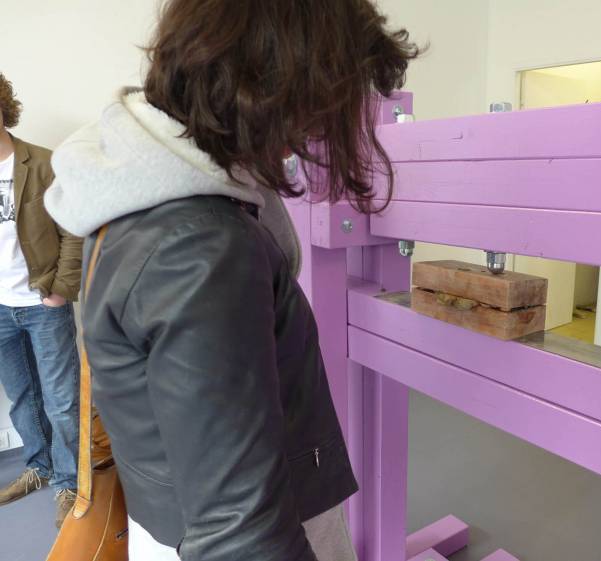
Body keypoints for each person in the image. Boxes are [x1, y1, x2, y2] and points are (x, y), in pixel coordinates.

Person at [44, 0, 418, 559]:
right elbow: (238, 531)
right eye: (322, 105)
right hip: (257, 527)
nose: (318, 131)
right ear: (279, 88)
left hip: (182, 512)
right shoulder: (200, 247)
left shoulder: (138, 190)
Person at [0, 72, 82, 528]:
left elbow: (74, 230)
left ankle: (69, 481)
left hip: (41, 302)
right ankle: (40, 466)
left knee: (61, 400)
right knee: (21, 398)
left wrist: (59, 290)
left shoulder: (44, 163)